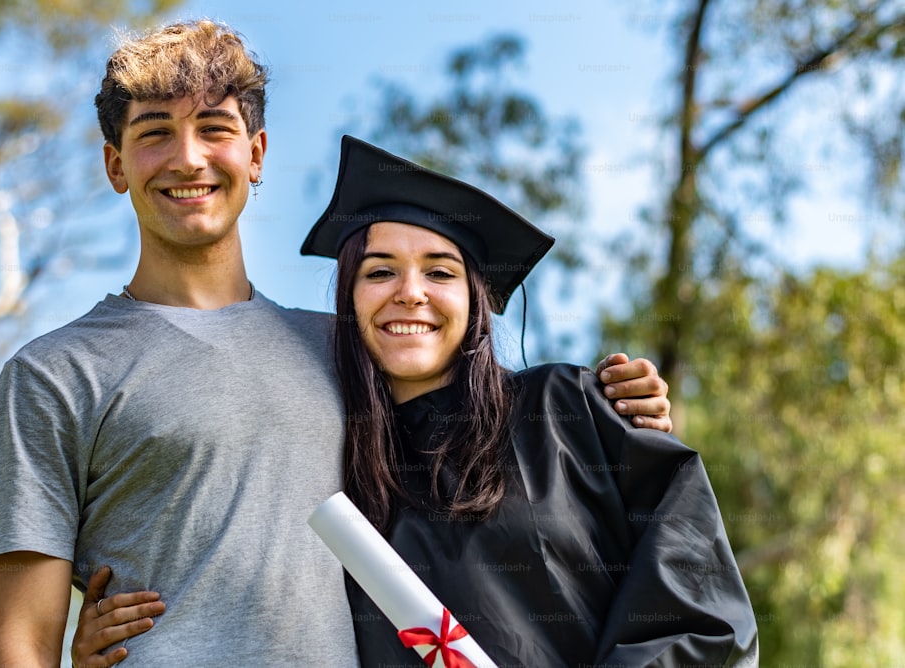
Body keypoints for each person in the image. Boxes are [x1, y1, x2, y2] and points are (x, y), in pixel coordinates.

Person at [0, 20, 673, 668]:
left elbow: (484, 449)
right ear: (117, 165)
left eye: (214, 128)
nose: (187, 159)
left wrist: (612, 430)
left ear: (256, 154)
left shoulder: (347, 351)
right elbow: (16, 647)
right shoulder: (53, 375)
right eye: (154, 133)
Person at [73, 139, 755, 666]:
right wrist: (126, 644)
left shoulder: (568, 412)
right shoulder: (324, 463)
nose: (410, 293)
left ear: (475, 302)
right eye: (379, 272)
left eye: (438, 270)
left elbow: (696, 596)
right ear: (347, 301)